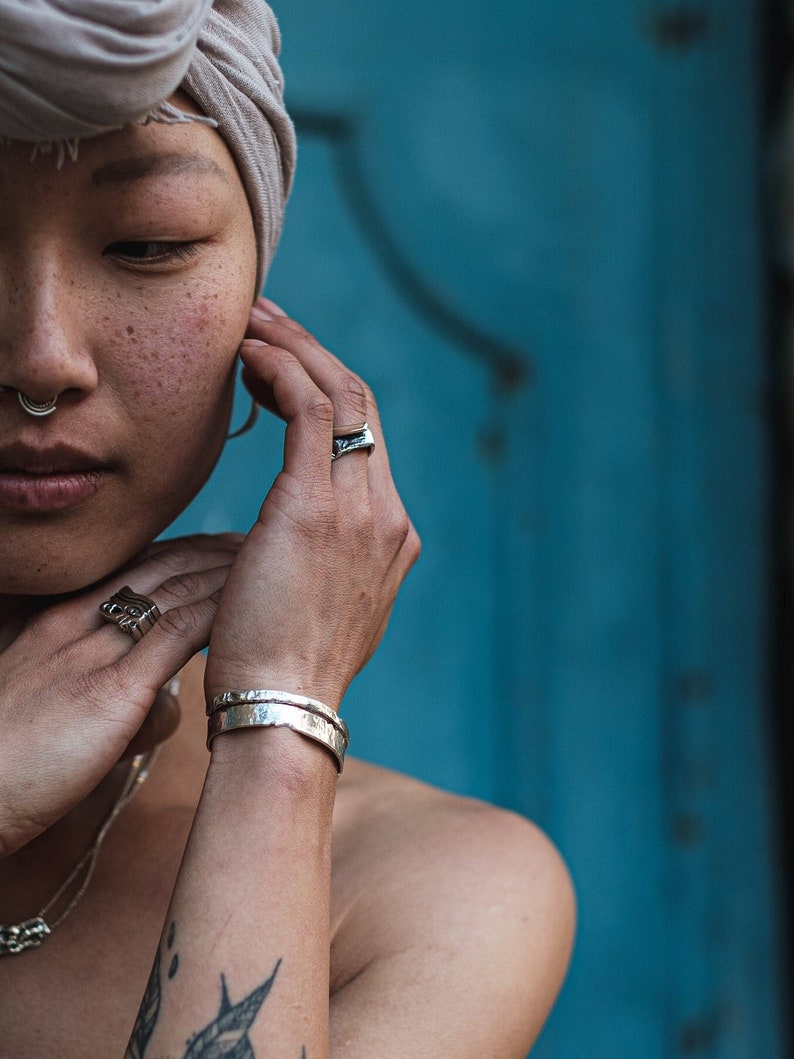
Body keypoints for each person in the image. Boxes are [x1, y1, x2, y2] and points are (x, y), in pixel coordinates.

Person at [0, 2, 575, 1055]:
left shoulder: (425, 894)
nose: (42, 359)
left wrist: (277, 732)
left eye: (147, 243)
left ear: (252, 312)